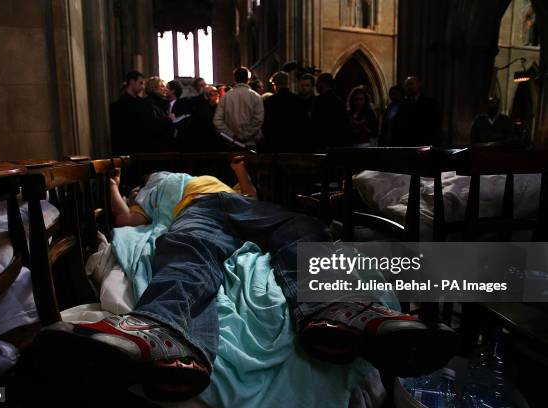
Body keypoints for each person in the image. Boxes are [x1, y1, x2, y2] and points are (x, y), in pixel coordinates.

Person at [38, 156, 457, 401]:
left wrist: (239, 174)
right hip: (197, 211)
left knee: (302, 231)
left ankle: (336, 310)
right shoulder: (150, 191)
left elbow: (251, 193)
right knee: (188, 250)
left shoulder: (206, 178)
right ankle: (164, 328)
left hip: (238, 202)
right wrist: (116, 187)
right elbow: (126, 220)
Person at [214, 67, 264, 149]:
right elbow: (258, 120)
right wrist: (245, 135)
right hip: (250, 143)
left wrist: (231, 135)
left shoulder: (226, 97)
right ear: (248, 79)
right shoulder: (256, 97)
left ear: (235, 79)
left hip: (232, 143)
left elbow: (217, 121)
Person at [261, 71, 308, 152]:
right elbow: (304, 124)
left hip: (275, 146)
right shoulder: (298, 101)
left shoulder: (269, 102)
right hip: (294, 144)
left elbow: (266, 125)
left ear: (275, 85)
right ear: (287, 84)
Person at [391, 76, 441, 147]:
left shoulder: (430, 103)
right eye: (407, 85)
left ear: (419, 84)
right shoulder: (403, 105)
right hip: (407, 143)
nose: (409, 87)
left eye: (411, 84)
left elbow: (435, 123)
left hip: (424, 142)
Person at [109, 71, 147, 155]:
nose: (143, 87)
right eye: (140, 83)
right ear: (132, 82)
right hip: (126, 149)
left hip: (142, 149)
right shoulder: (118, 106)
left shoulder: (143, 103)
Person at [311, 73, 348, 150]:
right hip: (336, 144)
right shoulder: (338, 101)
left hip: (321, 144)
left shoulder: (318, 101)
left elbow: (315, 124)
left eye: (317, 83)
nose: (316, 86)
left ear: (323, 83)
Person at [183, 85, 225, 151]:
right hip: (201, 139)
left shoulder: (214, 104)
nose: (217, 95)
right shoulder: (196, 103)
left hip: (211, 139)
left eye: (217, 93)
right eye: (214, 93)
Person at [144, 76, 176, 151]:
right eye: (162, 86)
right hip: (155, 147)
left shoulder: (162, 103)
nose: (166, 89)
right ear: (153, 88)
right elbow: (152, 125)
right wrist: (169, 119)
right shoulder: (148, 104)